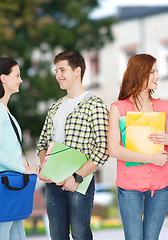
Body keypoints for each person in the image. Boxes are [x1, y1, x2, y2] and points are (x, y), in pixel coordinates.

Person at [36, 51, 109, 240]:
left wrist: (76, 178)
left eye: (62, 70)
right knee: (57, 235)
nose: (57, 75)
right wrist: (48, 169)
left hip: (79, 182)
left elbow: (103, 149)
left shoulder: (95, 105)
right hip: (53, 184)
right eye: (56, 70)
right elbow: (42, 143)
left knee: (80, 234)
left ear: (77, 71)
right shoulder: (55, 107)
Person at [107, 53, 168, 240]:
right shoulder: (118, 108)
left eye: (157, 71)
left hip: (160, 183)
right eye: (153, 71)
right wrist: (149, 159)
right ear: (140, 74)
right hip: (130, 185)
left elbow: (165, 149)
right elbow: (113, 149)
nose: (158, 76)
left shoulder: (164, 107)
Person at [0, 57, 38, 239]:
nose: (21, 80)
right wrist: (22, 169)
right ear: (3, 78)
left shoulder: (3, 109)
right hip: (4, 185)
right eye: (17, 75)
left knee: (18, 237)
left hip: (10, 185)